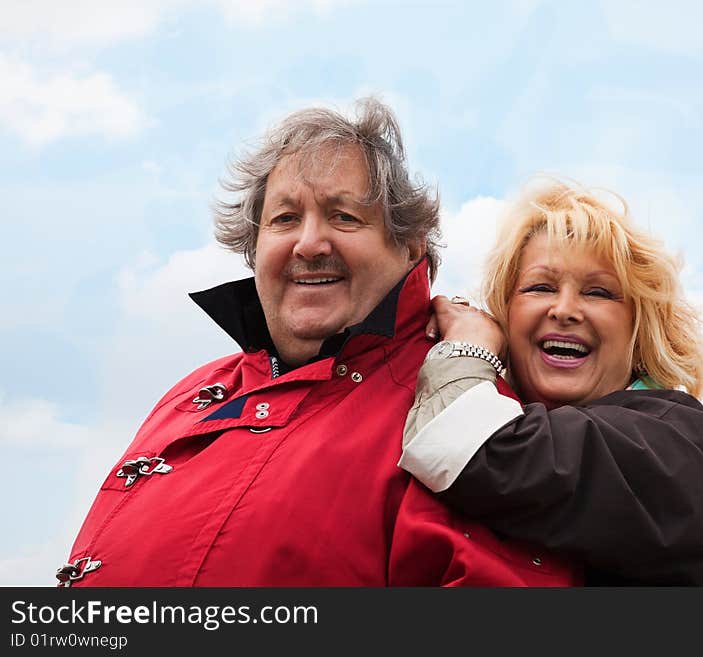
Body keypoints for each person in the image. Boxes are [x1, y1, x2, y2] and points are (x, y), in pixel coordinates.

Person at [57, 98, 580, 587]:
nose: (309, 243)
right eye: (285, 218)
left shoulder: (456, 411)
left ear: (409, 246)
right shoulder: (191, 392)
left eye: (343, 217)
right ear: (254, 246)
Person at [399, 177, 703, 585]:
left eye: (599, 293)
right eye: (540, 287)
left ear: (641, 333)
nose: (565, 309)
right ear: (506, 318)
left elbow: (468, 449)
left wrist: (467, 346)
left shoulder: (675, 442)